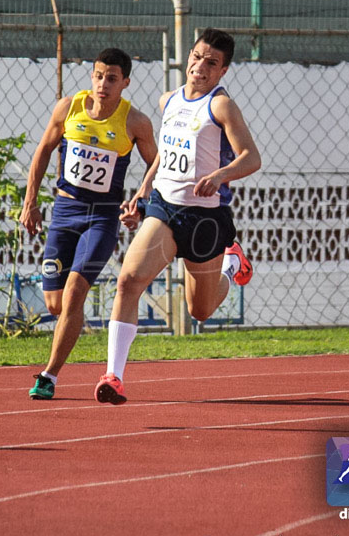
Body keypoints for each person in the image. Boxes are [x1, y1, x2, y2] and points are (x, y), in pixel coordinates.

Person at [94, 28, 262, 405]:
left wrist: (219, 175)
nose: (200, 68)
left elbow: (251, 158)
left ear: (223, 72)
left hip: (204, 219)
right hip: (165, 210)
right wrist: (142, 191)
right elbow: (165, 158)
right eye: (197, 57)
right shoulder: (167, 101)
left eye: (211, 63)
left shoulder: (221, 107)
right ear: (188, 57)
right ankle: (114, 376)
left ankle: (230, 267)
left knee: (198, 310)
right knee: (128, 281)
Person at [20, 48, 157, 400]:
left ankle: (48, 375)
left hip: (103, 217)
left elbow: (159, 164)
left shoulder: (135, 122)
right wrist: (30, 202)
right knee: (55, 304)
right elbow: (43, 151)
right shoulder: (69, 108)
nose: (103, 84)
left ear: (125, 82)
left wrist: (140, 202)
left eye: (112, 78)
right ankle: (71, 327)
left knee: (75, 292)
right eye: (98, 76)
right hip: (64, 214)